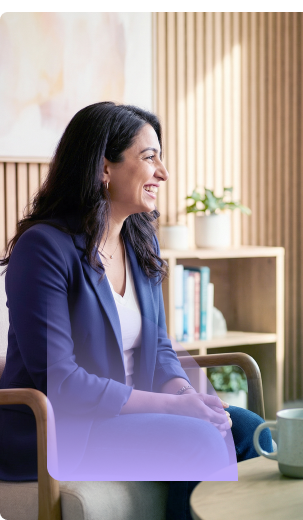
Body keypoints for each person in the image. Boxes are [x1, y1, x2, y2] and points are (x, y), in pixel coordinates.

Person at [0, 102, 272, 520]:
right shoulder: (43, 249)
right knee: (197, 439)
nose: (163, 173)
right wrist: (172, 408)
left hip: (129, 417)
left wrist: (186, 396)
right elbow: (63, 383)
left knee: (253, 430)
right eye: (149, 157)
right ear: (103, 169)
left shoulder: (140, 242)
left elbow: (160, 347)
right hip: (62, 431)